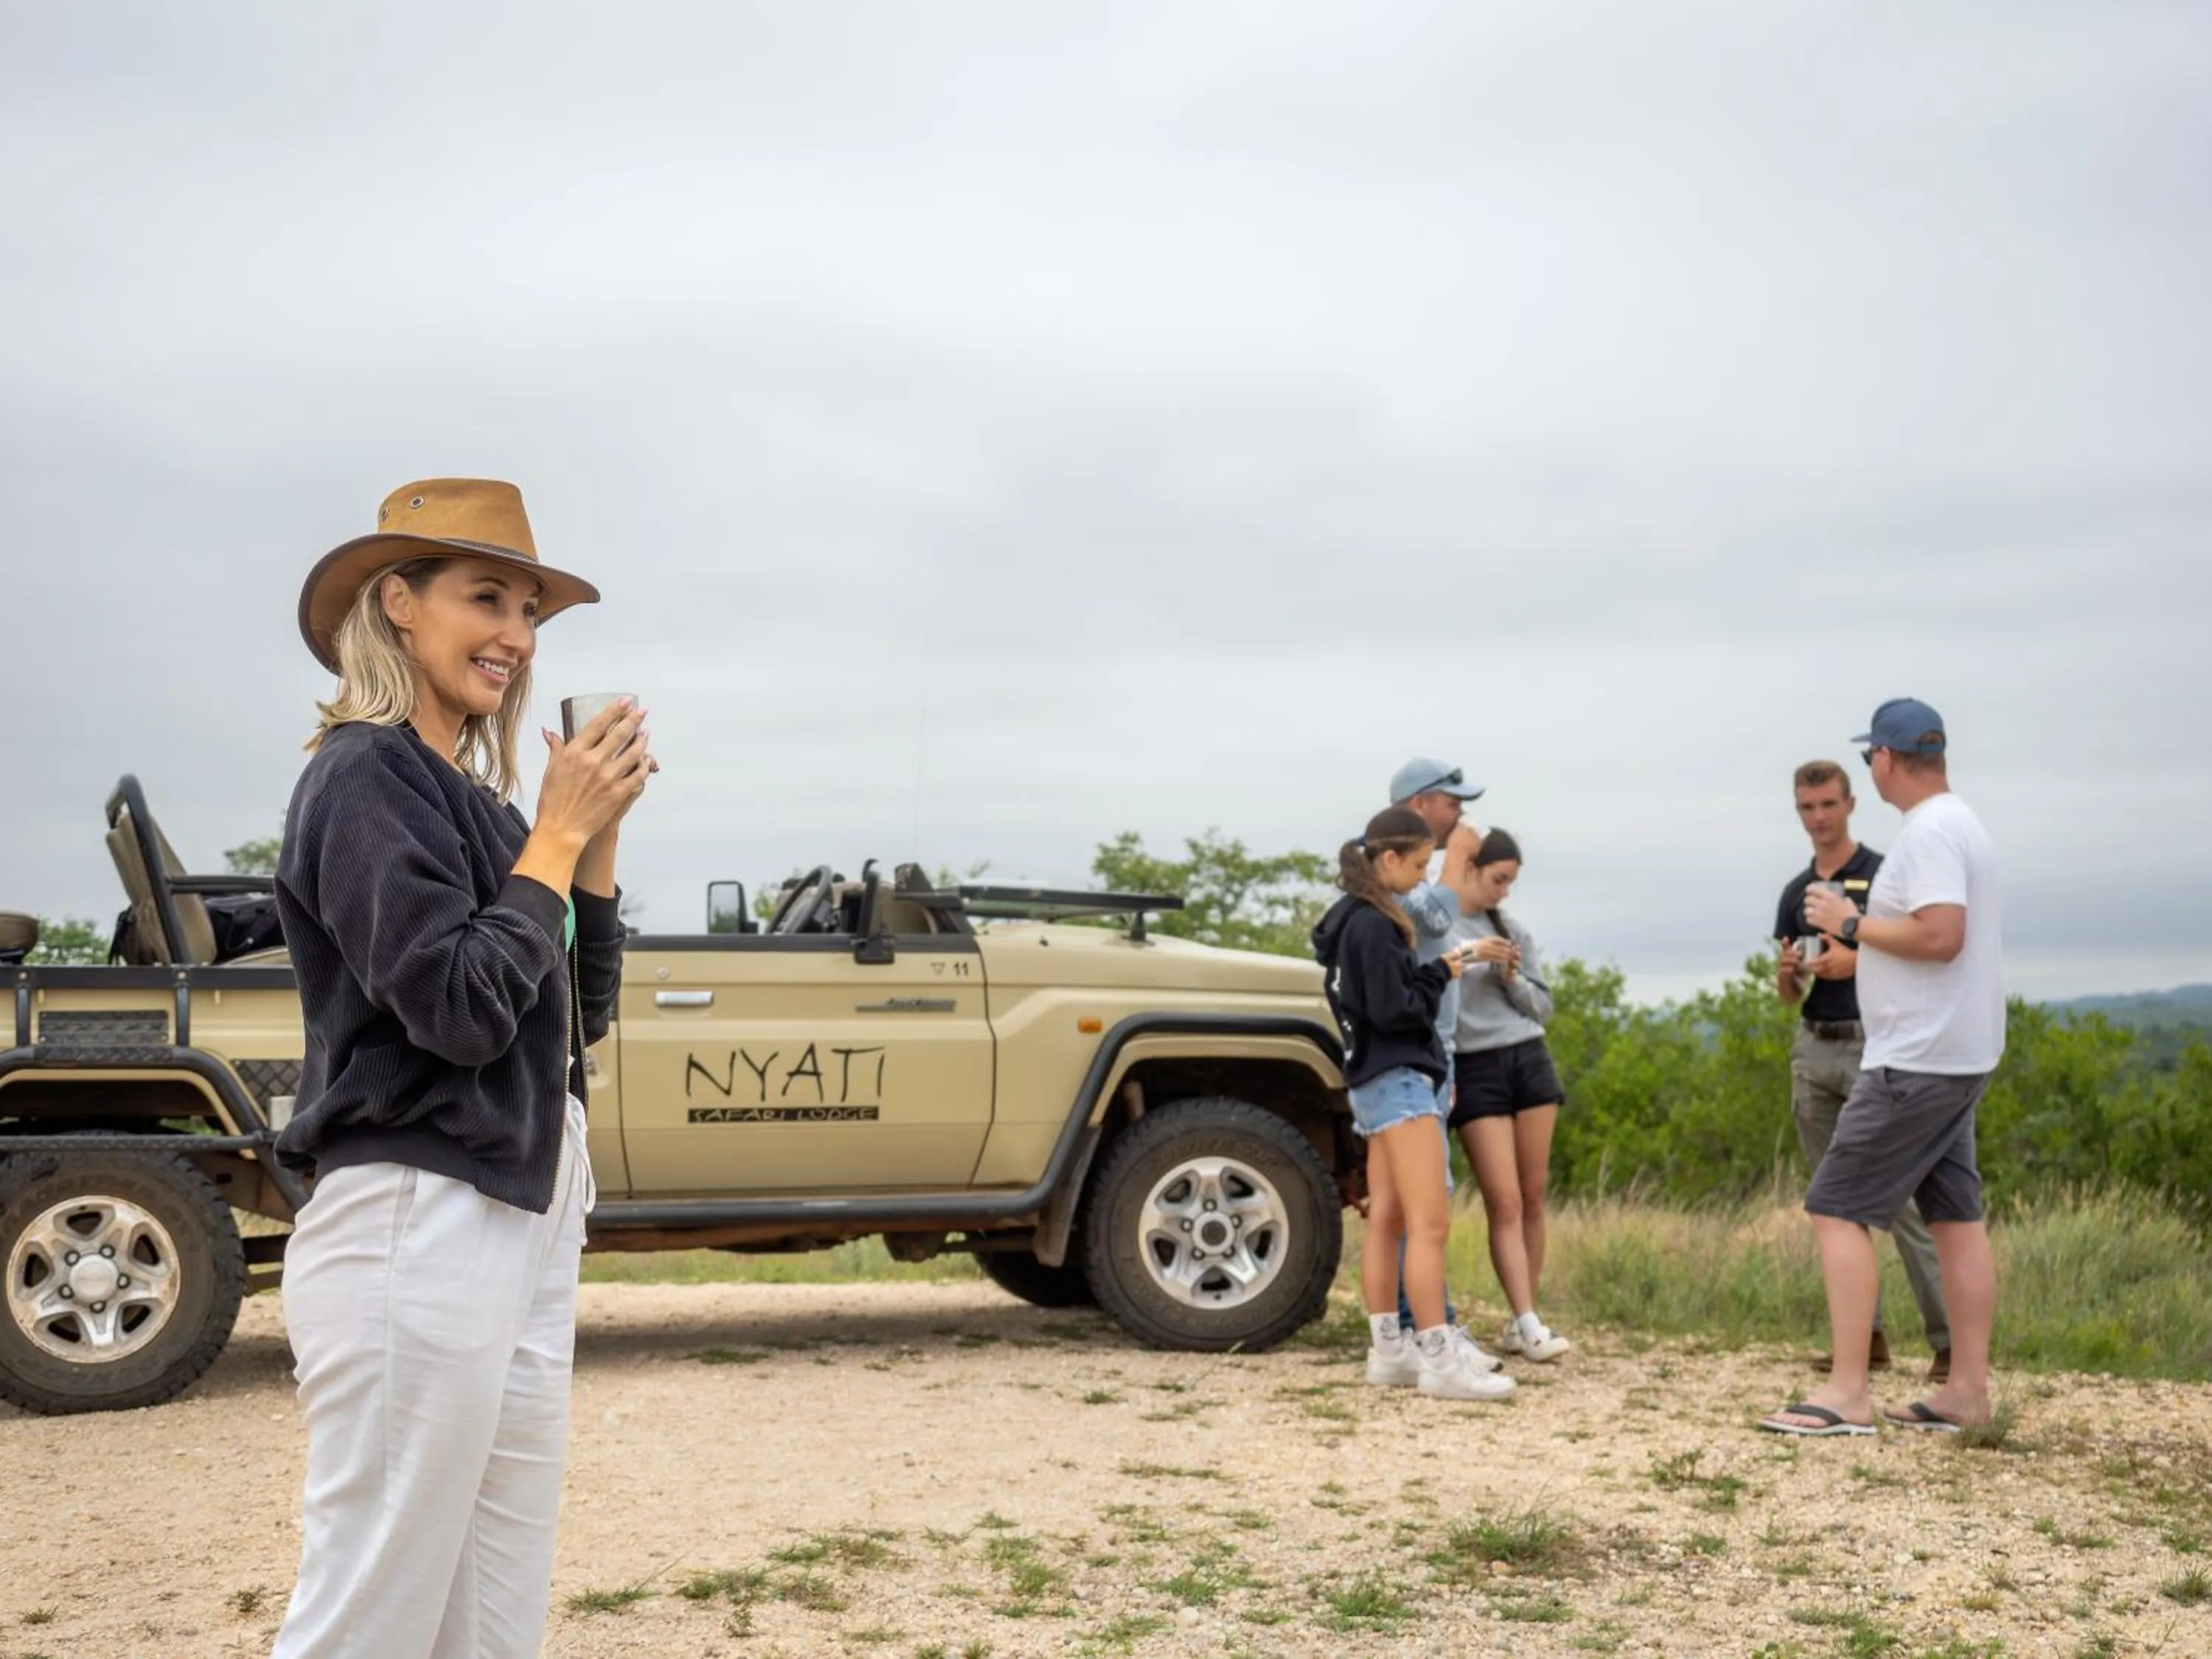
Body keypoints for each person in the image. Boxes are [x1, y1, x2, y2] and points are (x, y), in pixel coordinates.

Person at [271, 479, 655, 1655]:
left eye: (530, 609)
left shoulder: (488, 810)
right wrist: (551, 835)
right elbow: (459, 1008)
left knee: (492, 1603)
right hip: (416, 1209)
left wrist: (589, 851)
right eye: (486, 597)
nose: (517, 636)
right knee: (373, 1605)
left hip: (521, 1202)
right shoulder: (364, 774)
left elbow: (572, 1015)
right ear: (397, 604)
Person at [1761, 700, 2003, 1438]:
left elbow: (1942, 936)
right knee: (1955, 1219)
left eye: (1871, 756)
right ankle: (1964, 1391)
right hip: (1958, 1054)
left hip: (1915, 1061)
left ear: (1887, 760)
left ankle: (1847, 1394)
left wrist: (1849, 922)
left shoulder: (1928, 833)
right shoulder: (1961, 823)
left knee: (1836, 1207)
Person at [1313, 808, 1514, 1403]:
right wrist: (1439, 976)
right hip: (1401, 1079)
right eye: (1422, 865)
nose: (1424, 878)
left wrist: (1437, 968)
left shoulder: (1348, 922)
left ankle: (1390, 1351)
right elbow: (1396, 1009)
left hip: (1372, 1080)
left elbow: (1380, 999)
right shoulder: (1375, 924)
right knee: (1429, 1224)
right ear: (1389, 860)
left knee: (1390, 1219)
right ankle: (1438, 1357)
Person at [1773, 759, 1950, 1382]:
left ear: (1849, 803)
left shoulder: (1881, 872)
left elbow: (1909, 945)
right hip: (1814, 1043)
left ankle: (1949, 1343)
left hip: (1878, 1045)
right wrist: (1790, 971)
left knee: (1898, 1198)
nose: (1818, 817)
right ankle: (1866, 1340)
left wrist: (1855, 958)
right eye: (1806, 807)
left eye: (1827, 804)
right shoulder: (1797, 891)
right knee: (1833, 1202)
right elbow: (1787, 994)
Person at [1444, 829, 1574, 1363]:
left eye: (1511, 883)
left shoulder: (1513, 929)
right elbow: (1434, 989)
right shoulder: (1441, 923)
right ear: (1471, 868)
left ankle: (1527, 1319)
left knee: (1534, 1196)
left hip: (1529, 1058)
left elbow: (1542, 1008)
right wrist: (1470, 956)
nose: (1504, 892)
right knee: (1505, 1201)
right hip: (1474, 1067)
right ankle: (1526, 1319)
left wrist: (1510, 975)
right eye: (1499, 880)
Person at [1383, 759, 1495, 1363]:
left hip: (1427, 1049)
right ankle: (1430, 1328)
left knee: (1413, 1200)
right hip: (1418, 1052)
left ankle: (1417, 1325)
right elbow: (1434, 918)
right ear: (1421, 803)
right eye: (1453, 803)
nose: (1461, 815)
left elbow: (1437, 937)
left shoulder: (1404, 869)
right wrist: (1455, 864)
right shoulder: (1405, 871)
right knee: (1426, 1199)